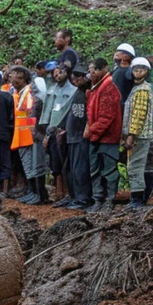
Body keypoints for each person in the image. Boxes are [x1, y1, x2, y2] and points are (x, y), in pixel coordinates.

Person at [86, 58, 122, 211]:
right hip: (97, 136)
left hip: (107, 138)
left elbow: (107, 117)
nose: (90, 74)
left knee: (109, 170)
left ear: (99, 70)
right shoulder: (96, 88)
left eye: (91, 71)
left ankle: (109, 200)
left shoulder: (109, 89)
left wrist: (91, 131)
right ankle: (98, 200)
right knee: (95, 170)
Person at [40, 62, 77, 207]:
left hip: (66, 132)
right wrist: (46, 132)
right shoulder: (51, 91)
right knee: (54, 164)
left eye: (60, 72)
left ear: (66, 73)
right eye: (55, 73)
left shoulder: (73, 90)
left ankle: (69, 193)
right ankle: (58, 193)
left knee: (65, 163)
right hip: (52, 131)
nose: (57, 75)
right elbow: (47, 112)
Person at [9, 65, 45, 204]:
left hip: (29, 136)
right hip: (22, 136)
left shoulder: (29, 93)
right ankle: (32, 192)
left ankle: (38, 194)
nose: (12, 79)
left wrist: (33, 131)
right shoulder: (20, 93)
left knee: (34, 166)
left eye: (15, 76)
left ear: (22, 78)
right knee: (28, 166)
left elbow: (32, 112)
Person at [123, 57, 152, 210]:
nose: (138, 72)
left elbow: (138, 115)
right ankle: (144, 196)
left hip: (140, 135)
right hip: (144, 134)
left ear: (147, 72)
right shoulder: (138, 88)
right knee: (146, 166)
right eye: (135, 69)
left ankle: (137, 200)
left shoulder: (141, 90)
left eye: (142, 69)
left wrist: (131, 134)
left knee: (134, 166)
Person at [64, 67, 93, 210]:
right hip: (72, 135)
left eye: (78, 78)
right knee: (72, 169)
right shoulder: (78, 92)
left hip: (81, 135)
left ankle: (83, 198)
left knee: (81, 169)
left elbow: (89, 114)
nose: (75, 81)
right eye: (74, 79)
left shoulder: (88, 92)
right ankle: (75, 196)